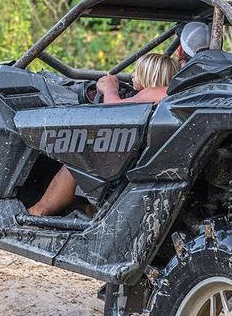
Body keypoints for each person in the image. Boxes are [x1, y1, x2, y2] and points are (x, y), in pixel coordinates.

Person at [27, 52, 178, 217]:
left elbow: (114, 111)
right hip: (145, 158)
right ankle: (88, 209)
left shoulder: (154, 92)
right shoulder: (167, 94)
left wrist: (109, 89)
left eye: (137, 71)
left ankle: (39, 211)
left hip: (134, 162)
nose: (132, 75)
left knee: (77, 160)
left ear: (149, 75)